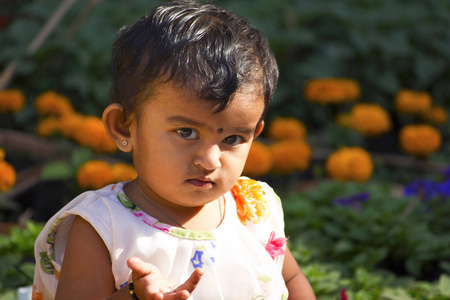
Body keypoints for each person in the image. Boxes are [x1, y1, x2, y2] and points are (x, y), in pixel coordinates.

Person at [33, 1, 316, 299]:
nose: (209, 161)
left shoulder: (254, 211)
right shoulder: (104, 229)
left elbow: (292, 277)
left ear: (255, 133)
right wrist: (133, 295)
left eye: (232, 139)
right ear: (124, 127)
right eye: (186, 133)